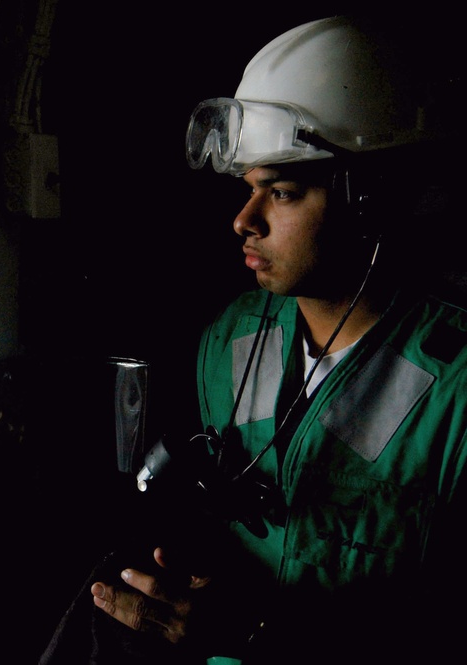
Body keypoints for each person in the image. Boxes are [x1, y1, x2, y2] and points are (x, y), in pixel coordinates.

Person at [39, 14, 465, 665]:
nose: (244, 220)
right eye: (247, 189)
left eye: (283, 192)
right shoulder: (233, 337)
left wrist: (259, 634)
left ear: (367, 200)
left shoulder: (455, 387)